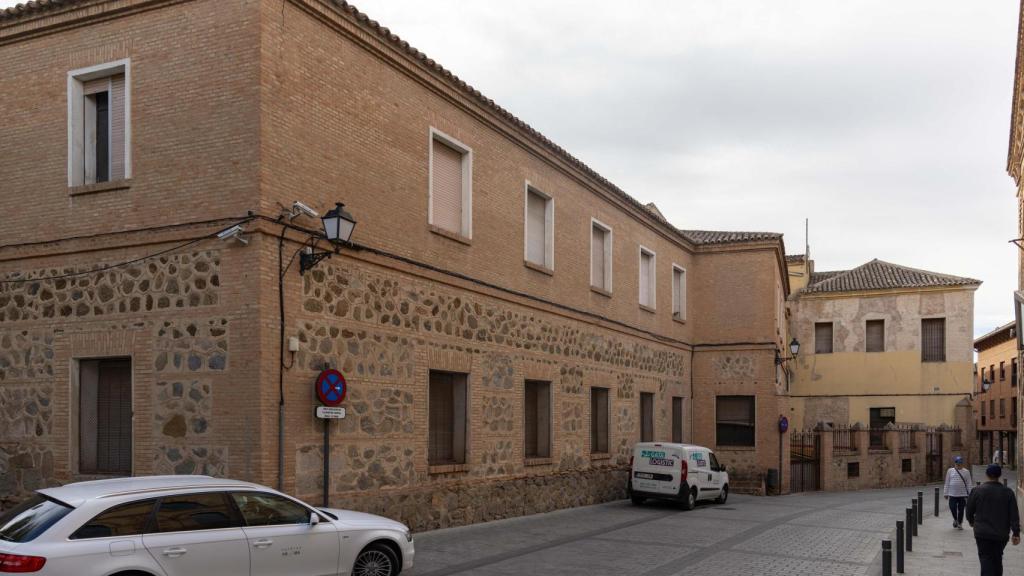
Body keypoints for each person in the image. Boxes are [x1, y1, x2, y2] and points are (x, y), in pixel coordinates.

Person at [966, 464, 1020, 576]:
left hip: (982, 533)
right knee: (997, 558)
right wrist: (1016, 533)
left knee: (985, 559)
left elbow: (969, 510)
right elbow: (1014, 514)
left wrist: (971, 521)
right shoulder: (1008, 492)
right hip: (1001, 534)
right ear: (1000, 475)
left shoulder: (977, 490)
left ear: (986, 475)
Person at [943, 456, 973, 529]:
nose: (958, 465)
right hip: (952, 494)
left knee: (961, 509)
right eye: (957, 463)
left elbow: (969, 483)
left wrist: (970, 494)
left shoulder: (966, 472)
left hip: (962, 494)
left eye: (960, 464)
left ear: (962, 464)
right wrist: (945, 493)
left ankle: (959, 523)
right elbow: (947, 482)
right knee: (952, 507)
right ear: (955, 463)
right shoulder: (950, 471)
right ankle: (955, 519)